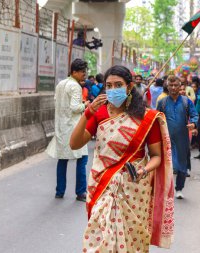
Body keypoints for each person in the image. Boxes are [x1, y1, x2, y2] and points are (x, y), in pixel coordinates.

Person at [70, 65, 174, 252]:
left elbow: (156, 156)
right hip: (102, 185)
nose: (112, 90)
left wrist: (143, 170)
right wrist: (87, 115)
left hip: (134, 189)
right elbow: (74, 144)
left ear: (129, 87)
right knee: (100, 239)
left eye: (118, 85)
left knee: (132, 242)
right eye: (108, 86)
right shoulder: (99, 113)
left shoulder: (146, 117)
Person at [46, 59, 89, 201]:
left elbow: (56, 101)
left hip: (61, 127)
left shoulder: (60, 84)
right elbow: (75, 108)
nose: (85, 74)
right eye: (82, 71)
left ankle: (60, 191)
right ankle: (81, 192)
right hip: (74, 127)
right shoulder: (75, 86)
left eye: (85, 71)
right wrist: (86, 105)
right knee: (82, 159)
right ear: (74, 72)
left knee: (62, 159)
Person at [157, 75, 198, 199]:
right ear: (167, 87)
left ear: (180, 86)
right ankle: (164, 189)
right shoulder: (162, 103)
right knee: (166, 165)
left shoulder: (186, 101)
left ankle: (179, 188)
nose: (173, 88)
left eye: (176, 85)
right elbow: (157, 119)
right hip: (166, 139)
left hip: (182, 138)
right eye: (171, 85)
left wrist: (193, 124)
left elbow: (194, 115)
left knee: (182, 165)